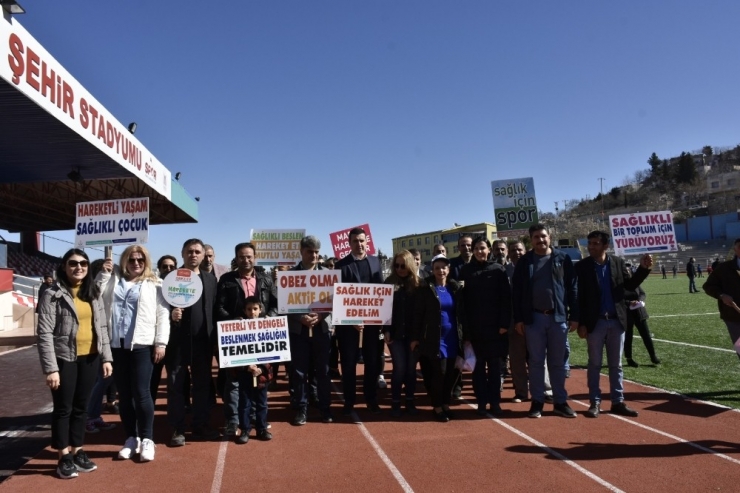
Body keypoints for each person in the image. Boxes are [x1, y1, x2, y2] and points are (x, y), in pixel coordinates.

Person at [37, 249, 113, 479]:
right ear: (64, 267)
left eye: (83, 263)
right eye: (73, 263)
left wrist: (106, 357)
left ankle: (78, 450)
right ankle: (63, 456)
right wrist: (51, 368)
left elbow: (101, 328)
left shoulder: (93, 292)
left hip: (90, 358)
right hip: (64, 359)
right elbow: (44, 333)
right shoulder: (52, 294)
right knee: (63, 409)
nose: (78, 267)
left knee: (81, 408)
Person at [97, 245, 169, 461]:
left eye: (140, 260)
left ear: (146, 261)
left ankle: (147, 439)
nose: (136, 263)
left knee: (142, 393)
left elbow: (162, 314)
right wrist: (103, 273)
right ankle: (131, 438)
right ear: (124, 261)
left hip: (142, 345)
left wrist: (161, 343)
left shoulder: (156, 283)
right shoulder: (112, 279)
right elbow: (96, 296)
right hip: (117, 346)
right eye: (131, 260)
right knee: (124, 396)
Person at [575, 231, 652, 419]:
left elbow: (630, 285)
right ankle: (595, 402)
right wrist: (581, 323)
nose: (591, 247)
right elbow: (578, 297)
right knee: (594, 364)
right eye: (589, 243)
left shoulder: (617, 263)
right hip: (595, 323)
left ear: (605, 246)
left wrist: (643, 269)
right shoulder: (582, 267)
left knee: (616, 365)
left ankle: (617, 401)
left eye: (595, 243)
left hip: (617, 322)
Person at [512, 224, 578, 419]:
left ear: (550, 237)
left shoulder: (562, 258)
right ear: (530, 240)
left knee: (557, 363)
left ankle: (560, 402)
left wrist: (574, 315)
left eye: (543, 236)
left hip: (558, 318)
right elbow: (517, 293)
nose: (540, 240)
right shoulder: (525, 262)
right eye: (536, 238)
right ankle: (537, 401)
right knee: (536, 363)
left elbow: (573, 287)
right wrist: (519, 319)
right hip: (534, 319)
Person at [216, 242, 277, 436]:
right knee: (234, 381)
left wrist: (269, 318)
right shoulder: (227, 279)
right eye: (242, 256)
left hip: (262, 336)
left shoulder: (266, 280)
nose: (246, 259)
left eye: (249, 256)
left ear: (255, 257)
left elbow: (276, 305)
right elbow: (219, 307)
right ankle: (233, 421)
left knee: (259, 379)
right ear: (236, 258)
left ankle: (256, 421)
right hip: (235, 337)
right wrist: (234, 321)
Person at [167, 239, 219, 446]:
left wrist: (215, 341)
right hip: (177, 343)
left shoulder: (210, 280)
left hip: (203, 343)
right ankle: (177, 429)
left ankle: (200, 424)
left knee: (202, 386)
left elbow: (214, 311)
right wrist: (172, 314)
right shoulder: (170, 278)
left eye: (198, 252)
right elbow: (159, 310)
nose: (194, 255)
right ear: (182, 253)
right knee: (177, 387)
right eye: (190, 251)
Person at [335, 227, 384, 416]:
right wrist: (350, 319)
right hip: (348, 327)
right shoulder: (340, 265)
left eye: (362, 240)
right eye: (355, 241)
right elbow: (337, 296)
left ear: (367, 242)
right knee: (348, 365)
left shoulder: (375, 262)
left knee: (372, 363)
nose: (359, 244)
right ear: (349, 243)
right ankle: (349, 401)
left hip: (372, 325)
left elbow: (381, 293)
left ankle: (371, 399)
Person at [460, 238, 511, 417]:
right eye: (476, 249)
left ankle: (495, 402)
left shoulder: (498, 270)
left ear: (489, 250)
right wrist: (465, 330)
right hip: (475, 330)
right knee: (478, 369)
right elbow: (462, 303)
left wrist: (504, 324)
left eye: (483, 248)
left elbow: (506, 299)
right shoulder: (465, 271)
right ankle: (482, 402)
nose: (480, 251)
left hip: (496, 330)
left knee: (495, 369)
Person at [288, 236, 334, 425]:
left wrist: (321, 316)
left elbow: (334, 302)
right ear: (302, 251)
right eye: (310, 252)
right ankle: (301, 408)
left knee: (323, 371)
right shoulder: (290, 276)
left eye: (316, 252)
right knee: (299, 372)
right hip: (299, 331)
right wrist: (300, 317)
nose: (314, 255)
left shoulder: (327, 274)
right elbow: (283, 305)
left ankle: (325, 408)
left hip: (321, 330)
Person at [410, 254, 462, 422]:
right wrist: (416, 337)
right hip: (434, 338)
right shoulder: (426, 289)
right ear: (432, 270)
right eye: (437, 267)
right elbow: (417, 314)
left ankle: (446, 404)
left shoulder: (454, 288)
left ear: (449, 269)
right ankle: (437, 406)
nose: (441, 270)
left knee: (451, 375)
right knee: (439, 373)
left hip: (452, 337)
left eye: (444, 267)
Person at [383, 250, 421, 418]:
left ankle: (410, 401)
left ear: (410, 265)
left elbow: (422, 312)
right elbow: (384, 311)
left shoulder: (419, 284)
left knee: (411, 370)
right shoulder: (389, 282)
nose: (399, 269)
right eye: (396, 265)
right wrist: (386, 330)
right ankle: (396, 402)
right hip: (396, 335)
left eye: (403, 265)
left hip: (413, 335)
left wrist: (417, 337)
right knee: (399, 369)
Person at [233, 296, 273, 443]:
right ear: (244, 310)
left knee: (262, 403)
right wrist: (247, 367)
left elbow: (273, 350)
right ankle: (245, 429)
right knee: (245, 403)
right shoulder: (237, 327)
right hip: (245, 373)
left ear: (260, 310)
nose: (252, 312)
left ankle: (262, 428)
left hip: (261, 374)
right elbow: (234, 352)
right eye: (249, 309)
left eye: (255, 309)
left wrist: (261, 368)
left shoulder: (267, 325)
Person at [703, 239, 740, 361]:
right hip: (733, 316)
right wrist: (721, 295)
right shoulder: (723, 268)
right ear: (735, 249)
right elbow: (708, 286)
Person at [506, 241, 529, 402]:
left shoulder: (533, 267)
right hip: (512, 321)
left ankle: (544, 390)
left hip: (533, 320)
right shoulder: (504, 271)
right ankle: (521, 392)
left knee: (538, 358)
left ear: (525, 251)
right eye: (513, 250)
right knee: (517, 359)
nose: (516, 253)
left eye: (519, 249)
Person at [623, 282, 661, 367]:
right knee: (628, 337)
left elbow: (642, 293)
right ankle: (629, 359)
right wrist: (629, 303)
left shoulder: (635, 283)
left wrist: (640, 300)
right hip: (627, 314)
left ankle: (653, 356)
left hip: (639, 313)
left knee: (646, 335)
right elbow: (618, 299)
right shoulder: (620, 285)